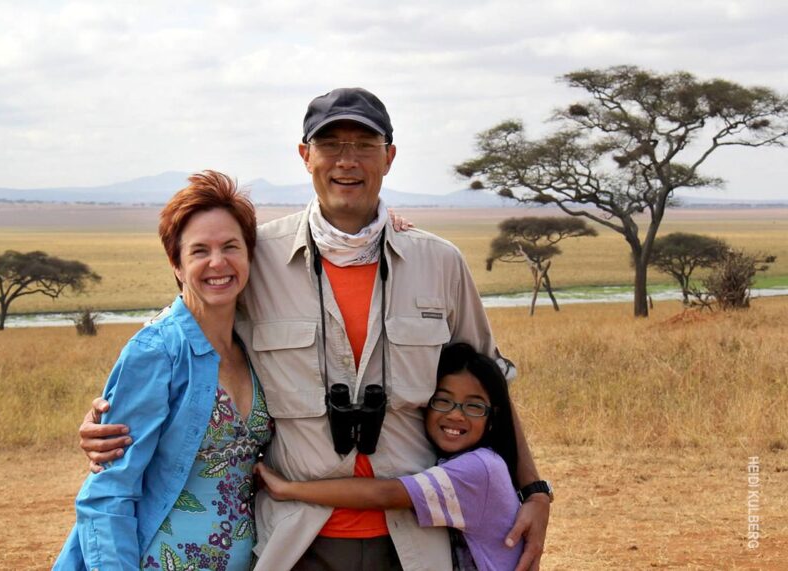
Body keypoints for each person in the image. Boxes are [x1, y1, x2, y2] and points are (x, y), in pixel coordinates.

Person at [78, 88, 551, 571]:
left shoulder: (438, 262)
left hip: (416, 539)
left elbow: (491, 385)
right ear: (305, 156)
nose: (348, 161)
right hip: (294, 542)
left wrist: (533, 491)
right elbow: (193, 318)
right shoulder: (258, 257)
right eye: (330, 145)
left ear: (389, 157)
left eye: (365, 145)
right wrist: (116, 407)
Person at [54, 171, 273, 570]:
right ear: (175, 263)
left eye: (230, 246)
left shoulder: (254, 344)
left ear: (249, 254)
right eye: (199, 251)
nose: (217, 262)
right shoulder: (157, 352)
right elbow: (107, 494)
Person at [254, 342, 527, 571]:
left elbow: (384, 494)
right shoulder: (468, 463)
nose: (456, 414)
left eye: (474, 406)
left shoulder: (479, 470)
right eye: (442, 400)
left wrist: (290, 488)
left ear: (493, 418)